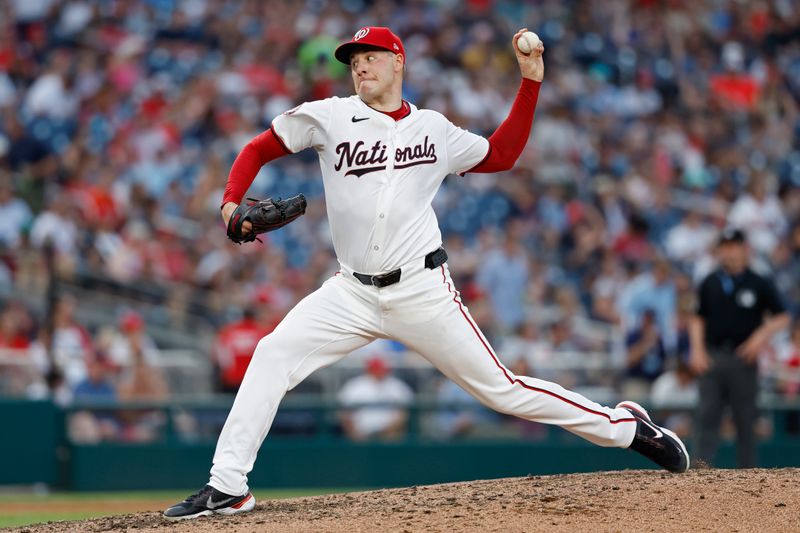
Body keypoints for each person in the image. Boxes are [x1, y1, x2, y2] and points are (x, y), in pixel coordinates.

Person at [164, 26, 689, 521]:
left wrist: (529, 84)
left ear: (398, 63)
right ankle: (229, 484)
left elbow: (502, 155)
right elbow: (258, 148)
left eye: (371, 58)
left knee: (501, 390)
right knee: (272, 353)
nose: (360, 67)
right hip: (350, 291)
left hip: (421, 289)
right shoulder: (329, 115)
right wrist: (230, 205)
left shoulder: (433, 129)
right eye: (354, 61)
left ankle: (625, 428)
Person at [689, 227, 790, 467]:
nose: (729, 252)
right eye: (725, 247)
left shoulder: (758, 282)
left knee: (745, 420)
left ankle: (748, 475)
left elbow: (782, 316)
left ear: (745, 250)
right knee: (707, 416)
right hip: (713, 357)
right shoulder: (710, 282)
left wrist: (759, 338)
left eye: (734, 247)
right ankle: (700, 472)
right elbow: (697, 317)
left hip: (743, 360)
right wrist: (697, 350)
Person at [337, 356, 413, 441]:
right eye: (375, 369)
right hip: (361, 435)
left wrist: (391, 430)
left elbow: (404, 412)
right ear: (369, 369)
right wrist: (353, 433)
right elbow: (345, 413)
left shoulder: (397, 386)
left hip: (390, 435)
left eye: (381, 369)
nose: (379, 372)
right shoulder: (354, 385)